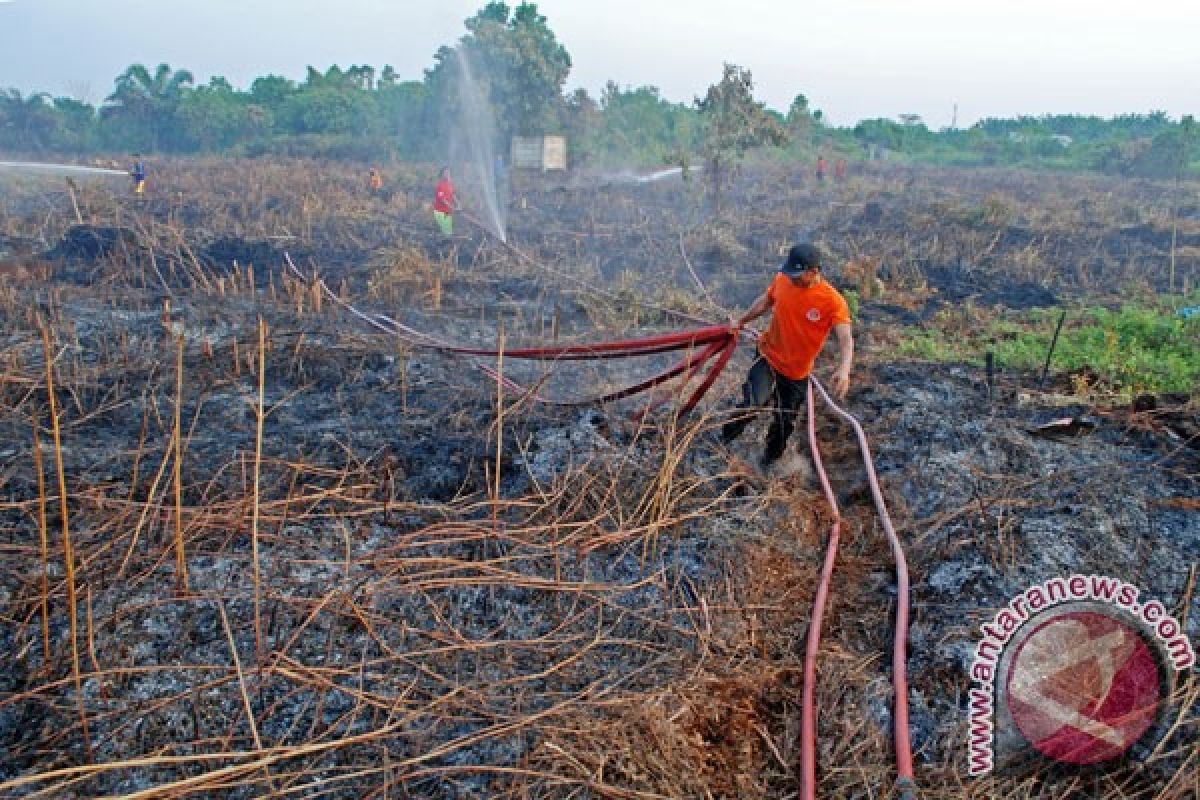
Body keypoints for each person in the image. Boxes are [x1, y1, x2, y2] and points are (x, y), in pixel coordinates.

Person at [722, 243, 854, 469]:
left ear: (814, 272)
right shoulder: (783, 280)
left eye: (798, 274)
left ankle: (767, 464)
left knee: (785, 422)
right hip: (768, 355)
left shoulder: (833, 301)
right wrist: (741, 321)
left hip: (796, 372)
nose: (792, 278)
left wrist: (844, 369)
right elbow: (765, 301)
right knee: (753, 403)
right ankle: (723, 441)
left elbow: (845, 337)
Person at [433, 166, 457, 236]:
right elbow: (442, 199)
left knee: (448, 231)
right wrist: (452, 207)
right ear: (442, 174)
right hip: (440, 212)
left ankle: (446, 242)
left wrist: (458, 204)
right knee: (446, 232)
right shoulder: (440, 185)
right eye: (445, 173)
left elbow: (453, 195)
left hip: (447, 212)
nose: (447, 174)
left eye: (448, 172)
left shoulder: (450, 184)